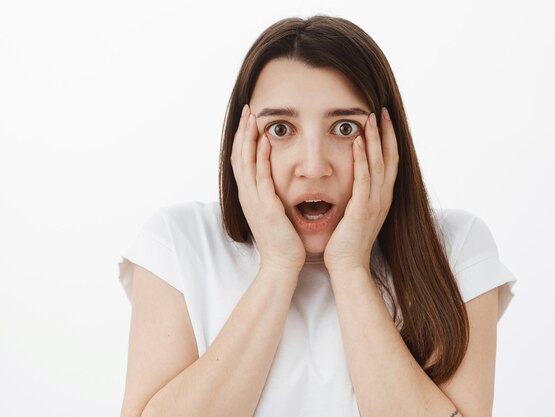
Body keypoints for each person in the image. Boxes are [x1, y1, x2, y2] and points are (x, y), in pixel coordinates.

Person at [117, 15, 517, 417]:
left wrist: (349, 267)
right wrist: (277, 267)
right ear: (241, 142)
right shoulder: (178, 244)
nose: (313, 166)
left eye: (345, 128)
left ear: (389, 139)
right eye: (280, 129)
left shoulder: (456, 247)